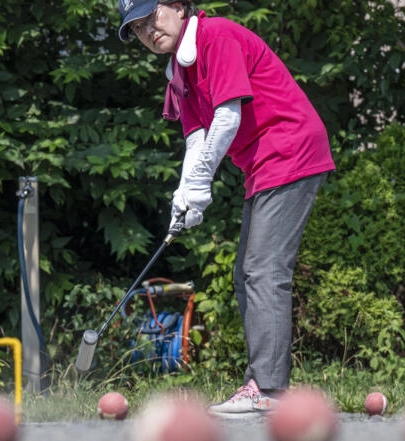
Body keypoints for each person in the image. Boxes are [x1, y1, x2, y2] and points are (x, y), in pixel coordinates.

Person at [117, 0, 336, 418]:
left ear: (179, 7)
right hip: (263, 163)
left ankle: (269, 389)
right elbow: (197, 137)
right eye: (138, 28)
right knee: (247, 273)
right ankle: (262, 384)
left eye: (151, 17)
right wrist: (185, 195)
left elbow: (227, 118)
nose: (148, 31)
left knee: (264, 270)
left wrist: (200, 182)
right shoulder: (179, 71)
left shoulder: (215, 37)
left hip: (290, 149)